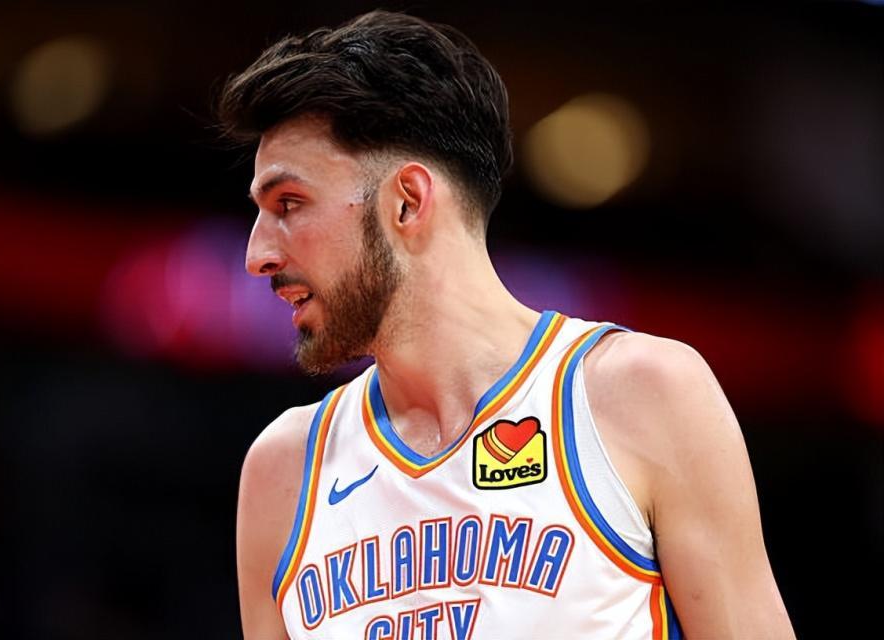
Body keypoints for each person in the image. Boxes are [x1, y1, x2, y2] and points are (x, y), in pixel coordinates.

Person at [220, 10, 795, 640]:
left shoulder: (639, 394)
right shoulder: (283, 471)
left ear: (407, 201)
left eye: (289, 204)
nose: (257, 255)